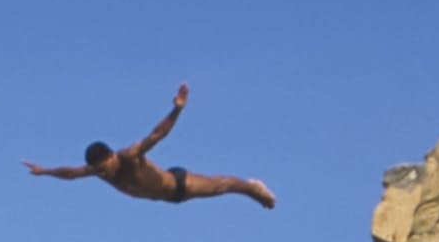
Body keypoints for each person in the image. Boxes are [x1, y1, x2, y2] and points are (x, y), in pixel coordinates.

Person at [30, 85, 274, 210]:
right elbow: (70, 173)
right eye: (101, 171)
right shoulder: (97, 171)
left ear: (113, 155)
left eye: (107, 167)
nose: (107, 174)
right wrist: (43, 171)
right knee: (220, 187)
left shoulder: (130, 155)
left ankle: (252, 188)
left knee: (223, 185)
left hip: (179, 185)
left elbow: (157, 135)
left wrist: (177, 108)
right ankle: (250, 189)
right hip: (165, 199)